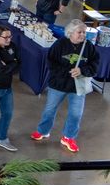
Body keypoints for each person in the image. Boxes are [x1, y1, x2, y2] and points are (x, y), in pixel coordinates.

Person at [32, 19, 97, 153]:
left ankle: (68, 137)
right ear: (70, 33)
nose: (83, 35)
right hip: (58, 85)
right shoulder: (60, 44)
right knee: (49, 110)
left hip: (77, 87)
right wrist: (67, 72)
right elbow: (51, 63)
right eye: (79, 32)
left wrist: (82, 71)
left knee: (75, 114)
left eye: (84, 32)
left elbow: (95, 65)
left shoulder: (89, 46)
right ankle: (43, 131)